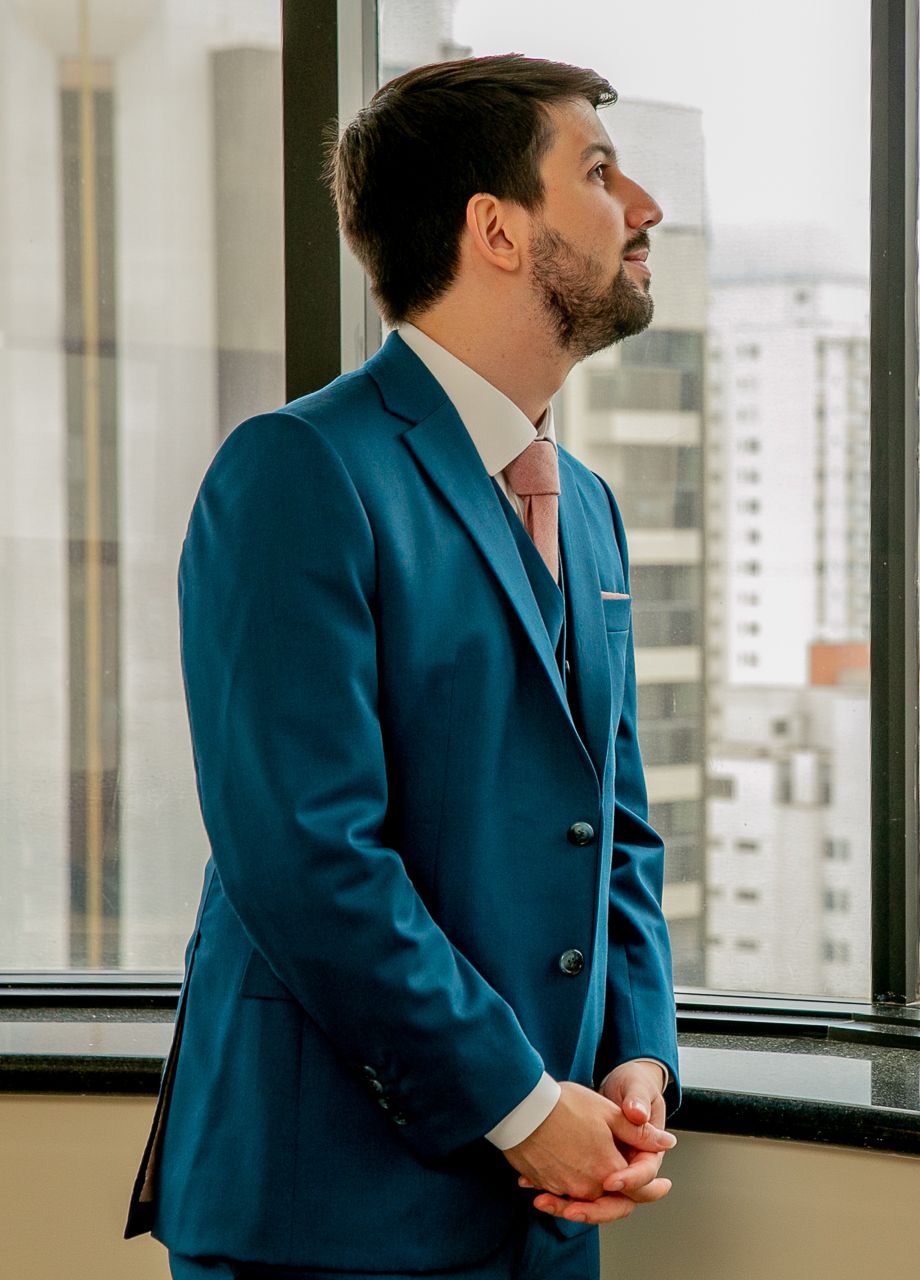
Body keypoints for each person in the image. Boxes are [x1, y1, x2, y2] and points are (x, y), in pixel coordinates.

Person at [124, 54, 681, 1280]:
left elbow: (616, 826)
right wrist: (521, 1105)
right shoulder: (297, 470)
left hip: (549, 1211)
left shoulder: (587, 506)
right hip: (324, 1214)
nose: (644, 208)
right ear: (496, 228)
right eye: (598, 172)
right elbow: (305, 854)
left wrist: (632, 1059)